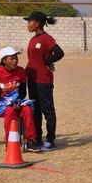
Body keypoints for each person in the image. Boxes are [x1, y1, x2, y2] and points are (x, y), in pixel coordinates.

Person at [0, 47, 42, 152]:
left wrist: (18, 101)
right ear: (4, 60)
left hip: (16, 102)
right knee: (10, 111)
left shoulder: (21, 71)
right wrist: (9, 103)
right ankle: (10, 142)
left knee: (27, 110)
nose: (15, 61)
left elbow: (22, 92)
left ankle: (30, 140)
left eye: (16, 58)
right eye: (11, 59)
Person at [24, 11, 64, 151]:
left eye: (29, 22)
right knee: (35, 110)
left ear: (37, 23)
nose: (28, 25)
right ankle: (37, 138)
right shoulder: (33, 39)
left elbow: (59, 53)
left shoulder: (47, 38)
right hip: (32, 79)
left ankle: (51, 140)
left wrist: (47, 62)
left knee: (47, 110)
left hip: (43, 80)